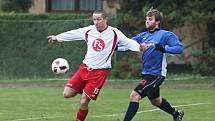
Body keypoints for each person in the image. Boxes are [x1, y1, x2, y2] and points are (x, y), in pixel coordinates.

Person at [47, 10, 141, 121]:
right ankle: (86, 90)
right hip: (84, 69)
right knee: (67, 94)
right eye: (94, 19)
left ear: (105, 19)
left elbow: (129, 42)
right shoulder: (89, 30)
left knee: (83, 101)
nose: (96, 22)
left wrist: (139, 48)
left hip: (99, 73)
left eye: (99, 19)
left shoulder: (114, 33)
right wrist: (57, 38)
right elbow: (73, 33)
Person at [122, 8, 184, 121]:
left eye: (150, 19)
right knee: (156, 101)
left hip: (156, 74)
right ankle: (176, 114)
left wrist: (163, 48)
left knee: (134, 96)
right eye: (146, 19)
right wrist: (113, 47)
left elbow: (179, 48)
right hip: (146, 73)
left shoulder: (165, 35)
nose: (147, 21)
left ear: (157, 22)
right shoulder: (142, 36)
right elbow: (128, 44)